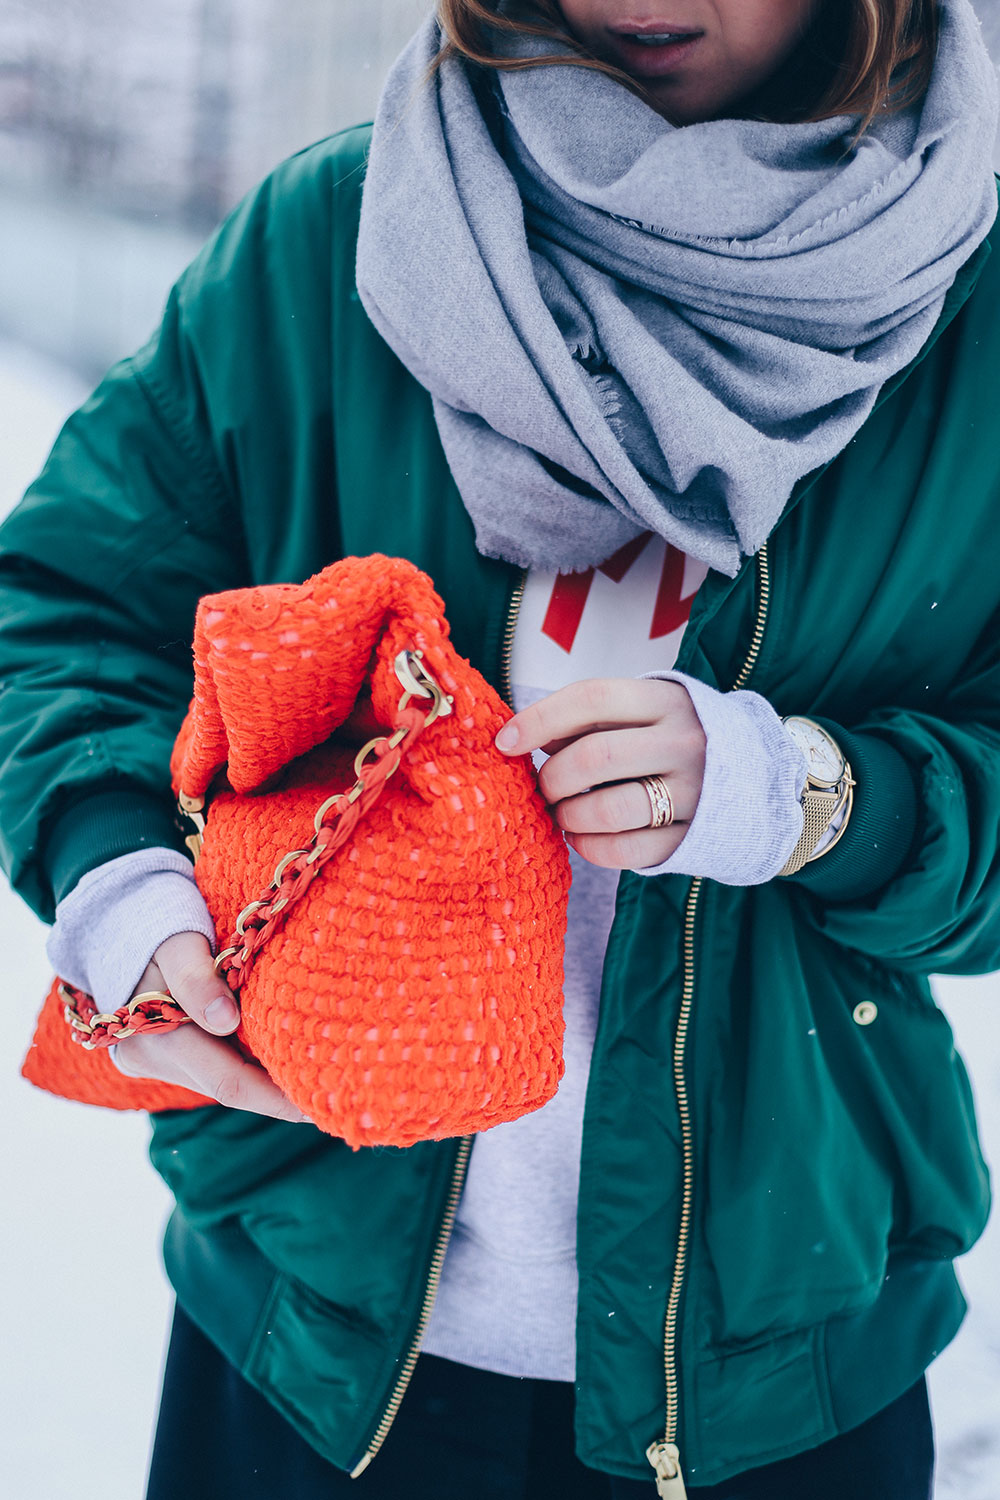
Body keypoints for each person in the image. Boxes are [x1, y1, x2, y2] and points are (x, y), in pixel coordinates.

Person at [1, 0, 998, 1495]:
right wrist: (120, 882)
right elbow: (64, 600)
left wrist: (803, 796)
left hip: (780, 1384)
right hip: (315, 1354)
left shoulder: (971, 322)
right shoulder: (332, 235)